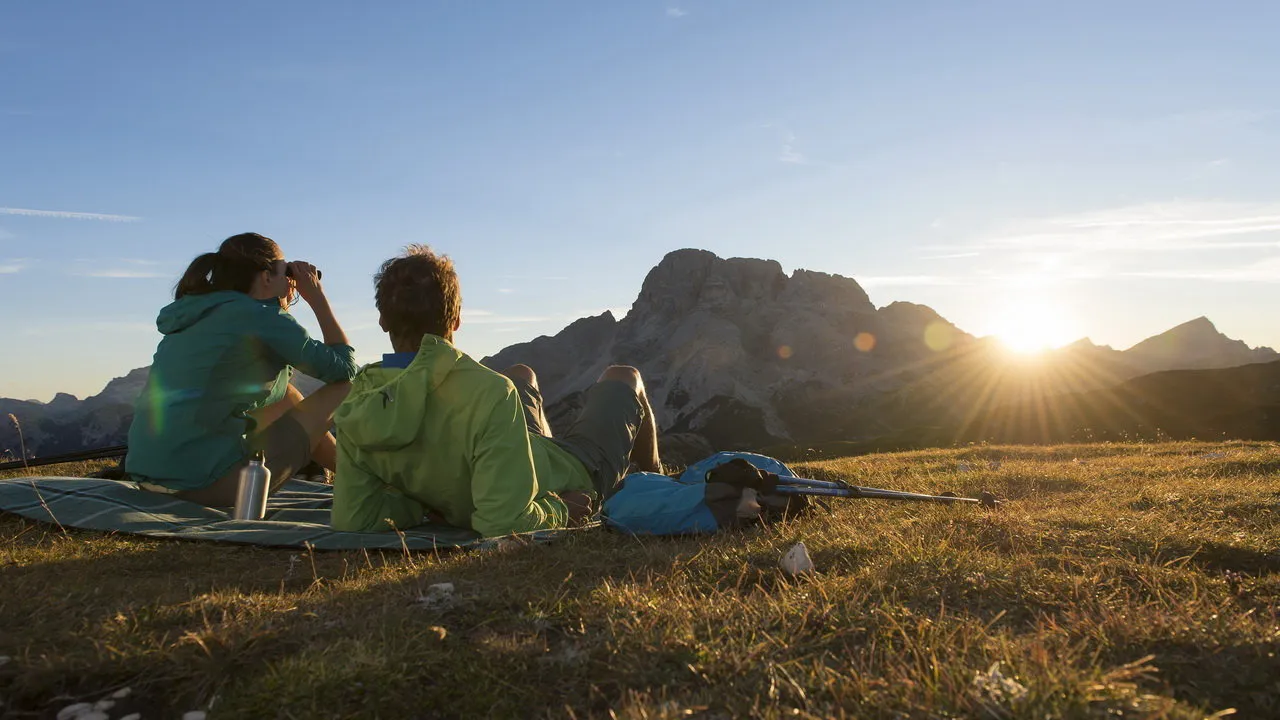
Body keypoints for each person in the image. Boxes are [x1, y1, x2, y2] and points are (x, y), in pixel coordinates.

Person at [331, 245, 662, 537]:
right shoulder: (489, 391)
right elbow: (506, 523)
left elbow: (356, 517)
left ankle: (547, 456)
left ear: (382, 321)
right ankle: (656, 477)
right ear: (456, 320)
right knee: (625, 375)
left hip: (513, 457)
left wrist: (427, 506)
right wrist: (563, 510)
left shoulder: (360, 399)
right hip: (576, 473)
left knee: (521, 374)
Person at [126, 232, 358, 506]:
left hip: (151, 481)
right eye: (285, 270)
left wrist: (281, 303)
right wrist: (317, 298)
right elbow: (344, 370)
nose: (290, 280)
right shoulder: (261, 317)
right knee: (344, 387)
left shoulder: (200, 311)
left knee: (284, 394)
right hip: (207, 486)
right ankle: (363, 476)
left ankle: (354, 474)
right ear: (266, 276)